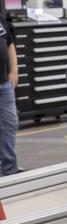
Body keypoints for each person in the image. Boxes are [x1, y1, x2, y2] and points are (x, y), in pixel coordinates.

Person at [0, 12, 21, 175]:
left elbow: (9, 43)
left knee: (10, 124)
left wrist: (14, 70)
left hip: (3, 83)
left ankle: (9, 168)